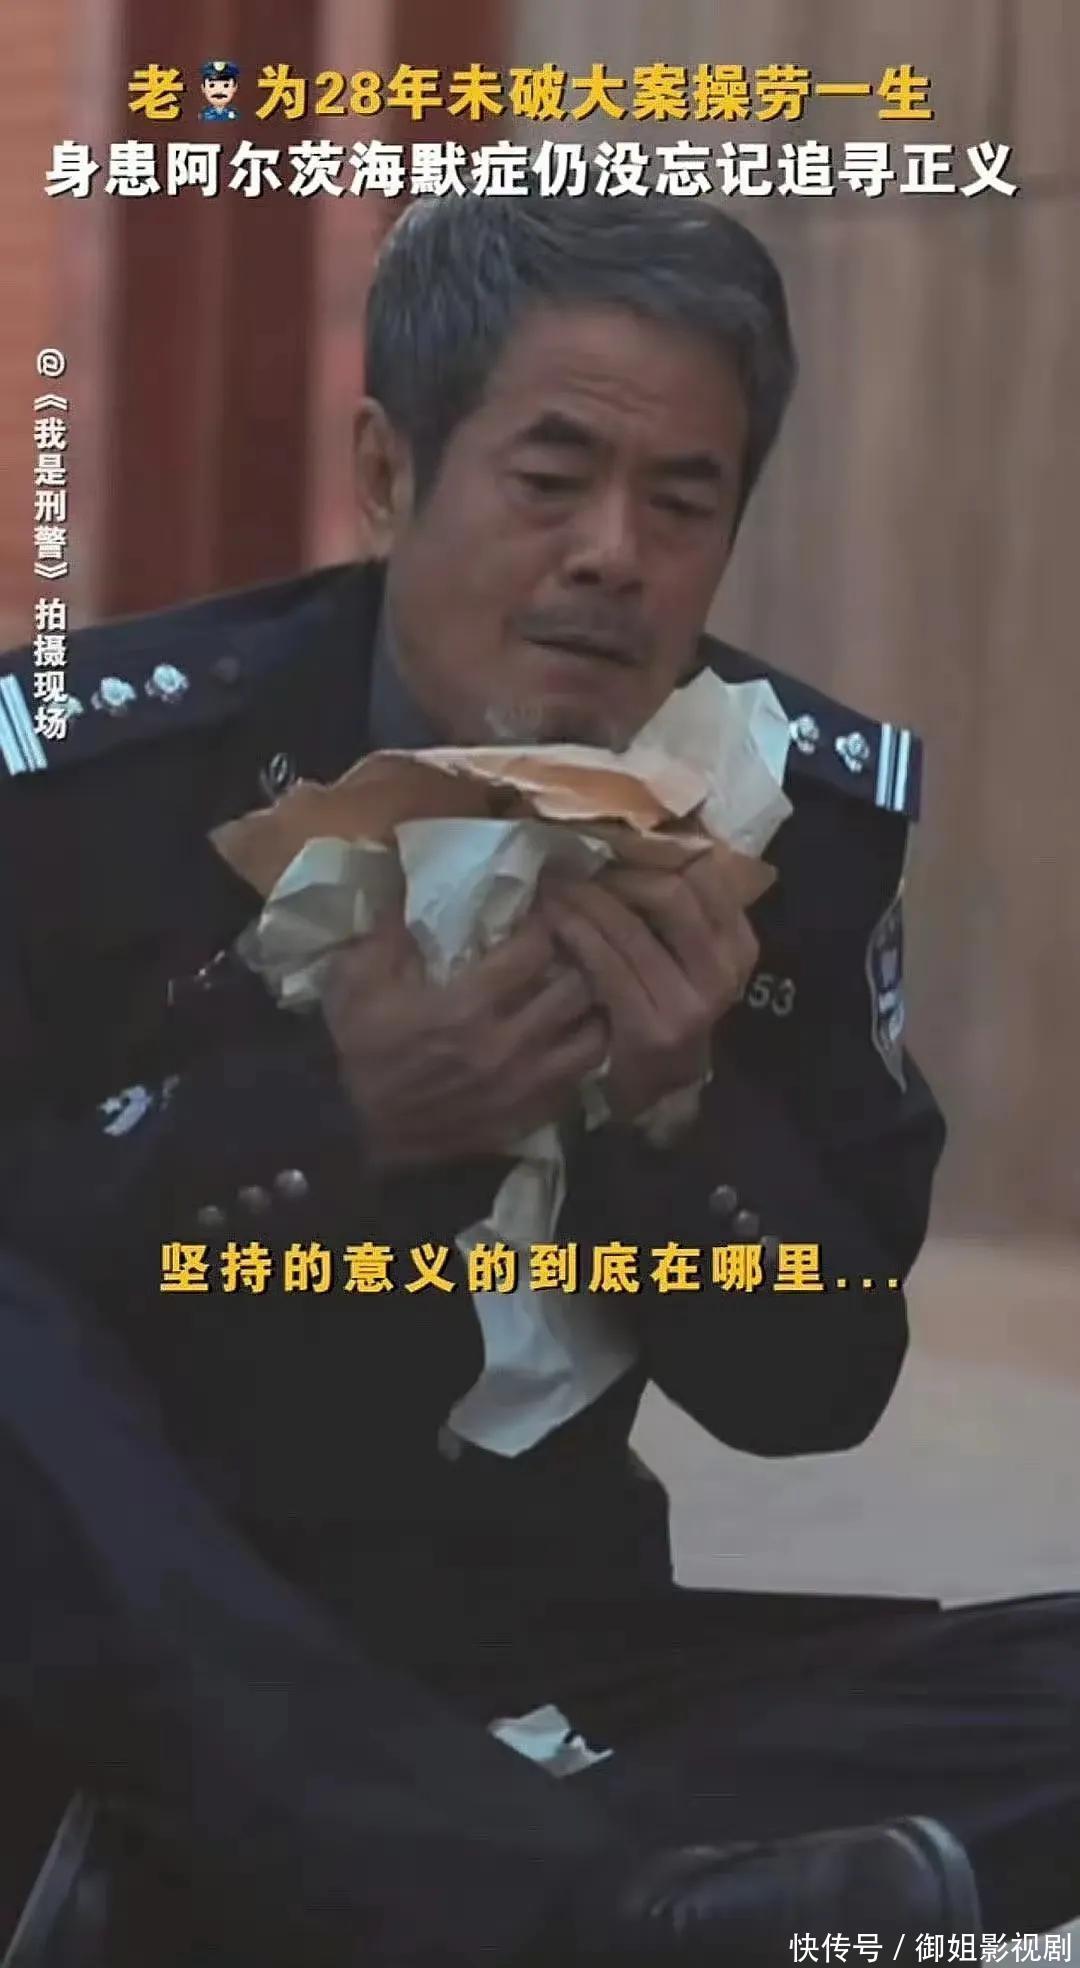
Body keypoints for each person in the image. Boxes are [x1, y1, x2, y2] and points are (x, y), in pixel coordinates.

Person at [0, 194, 1075, 1963]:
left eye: (683, 503)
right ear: (388, 472)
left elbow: (820, 1384)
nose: (614, 557)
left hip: (539, 1672)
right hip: (139, 1649)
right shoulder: (94, 778)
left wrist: (684, 1121)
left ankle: (383, 1898)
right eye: (551, 479)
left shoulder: (789, 826)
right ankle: (556, 1907)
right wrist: (328, 1119)